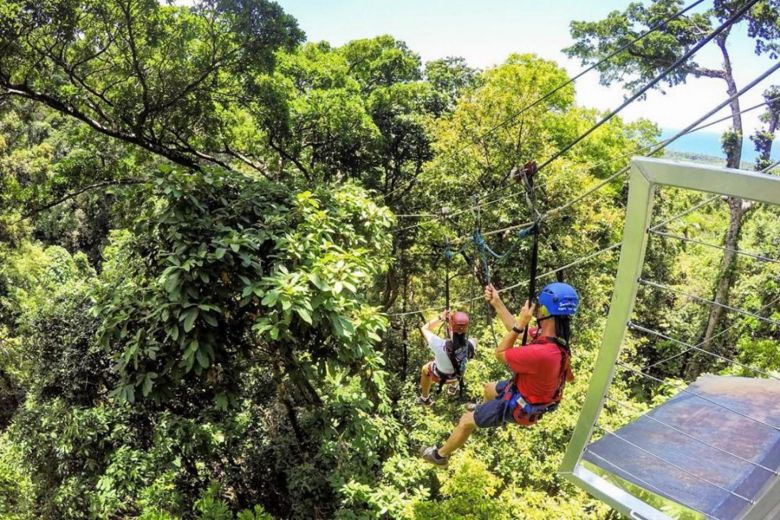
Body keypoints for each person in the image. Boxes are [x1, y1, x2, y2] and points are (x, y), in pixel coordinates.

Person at [420, 282, 578, 465]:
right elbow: (516, 331)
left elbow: (500, 354)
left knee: (465, 421)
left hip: (520, 405)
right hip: (525, 391)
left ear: (543, 309)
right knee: (489, 389)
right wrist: (497, 302)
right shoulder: (553, 337)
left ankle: (439, 456)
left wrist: (521, 324)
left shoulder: (542, 353)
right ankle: (482, 410)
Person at [417, 310, 476, 406]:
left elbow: (425, 328)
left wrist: (441, 317)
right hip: (456, 377)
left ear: (450, 328)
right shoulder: (471, 345)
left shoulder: (439, 345)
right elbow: (473, 341)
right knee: (459, 362)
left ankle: (425, 398)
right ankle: (453, 387)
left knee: (425, 369)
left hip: (440, 377)